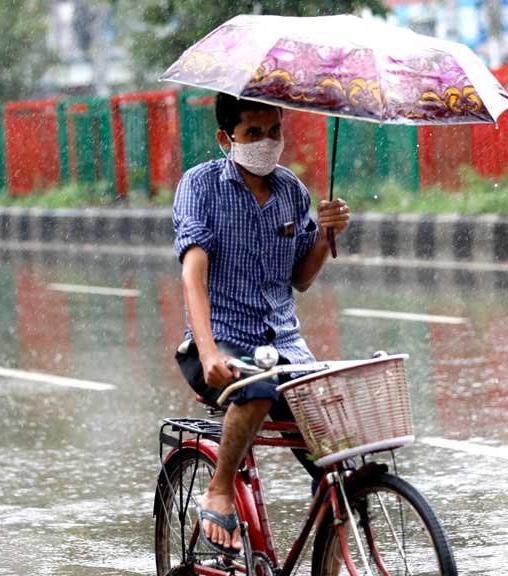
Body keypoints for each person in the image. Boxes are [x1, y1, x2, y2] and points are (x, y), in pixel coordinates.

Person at [172, 93, 350, 556]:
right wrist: (209, 352)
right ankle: (220, 488)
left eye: (275, 132)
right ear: (225, 137)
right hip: (220, 345)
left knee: (341, 464)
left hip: (287, 351)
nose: (267, 143)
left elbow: (301, 279)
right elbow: (194, 274)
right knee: (255, 385)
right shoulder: (200, 186)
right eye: (253, 134)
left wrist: (327, 233)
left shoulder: (292, 191)